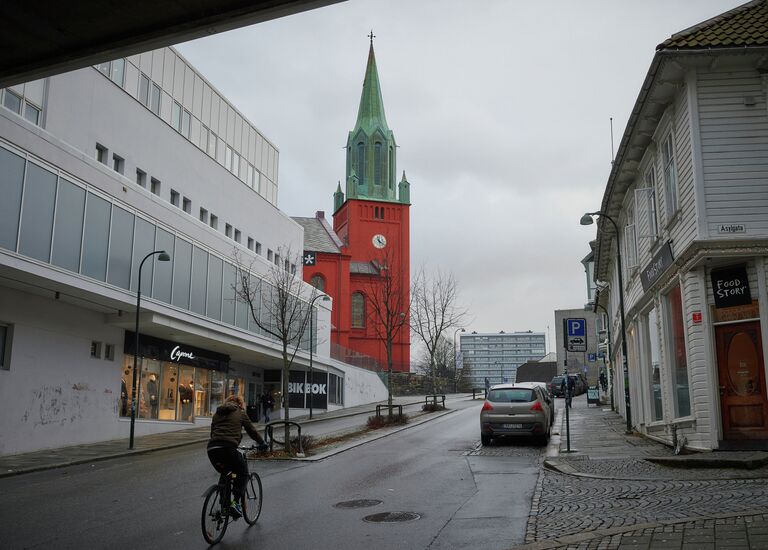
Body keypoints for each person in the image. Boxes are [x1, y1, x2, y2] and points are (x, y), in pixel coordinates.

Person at [207, 395, 268, 518]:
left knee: (226, 473)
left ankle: (224, 505)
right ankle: (235, 503)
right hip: (228, 448)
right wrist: (262, 443)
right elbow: (251, 430)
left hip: (212, 449)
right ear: (240, 404)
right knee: (243, 473)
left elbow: (213, 432)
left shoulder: (217, 414)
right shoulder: (240, 413)